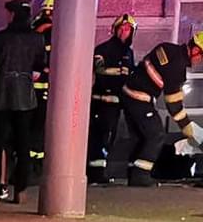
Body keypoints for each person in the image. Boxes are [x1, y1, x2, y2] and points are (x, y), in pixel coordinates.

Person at [0, 0, 48, 203]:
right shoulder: (37, 39)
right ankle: (21, 190)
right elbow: (40, 65)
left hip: (1, 95)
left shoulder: (0, 38)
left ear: (12, 15)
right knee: (23, 143)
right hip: (26, 96)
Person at [120, 34, 203, 186]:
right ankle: (140, 176)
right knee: (156, 135)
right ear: (196, 50)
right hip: (139, 97)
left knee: (141, 137)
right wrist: (188, 127)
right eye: (202, 56)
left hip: (128, 93)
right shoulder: (178, 68)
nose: (200, 61)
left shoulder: (167, 47)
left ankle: (133, 173)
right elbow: (173, 105)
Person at [87, 14, 136, 185]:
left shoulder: (129, 52)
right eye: (121, 28)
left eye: (128, 29)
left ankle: (100, 171)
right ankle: (94, 173)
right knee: (99, 136)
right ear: (115, 30)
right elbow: (99, 70)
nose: (124, 32)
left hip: (116, 103)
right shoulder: (103, 49)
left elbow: (130, 75)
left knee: (109, 137)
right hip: (101, 101)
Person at [28, 0, 55, 168]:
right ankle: (35, 162)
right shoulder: (47, 32)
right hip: (42, 88)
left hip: (36, 88)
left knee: (37, 127)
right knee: (39, 127)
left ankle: (33, 161)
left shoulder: (34, 30)